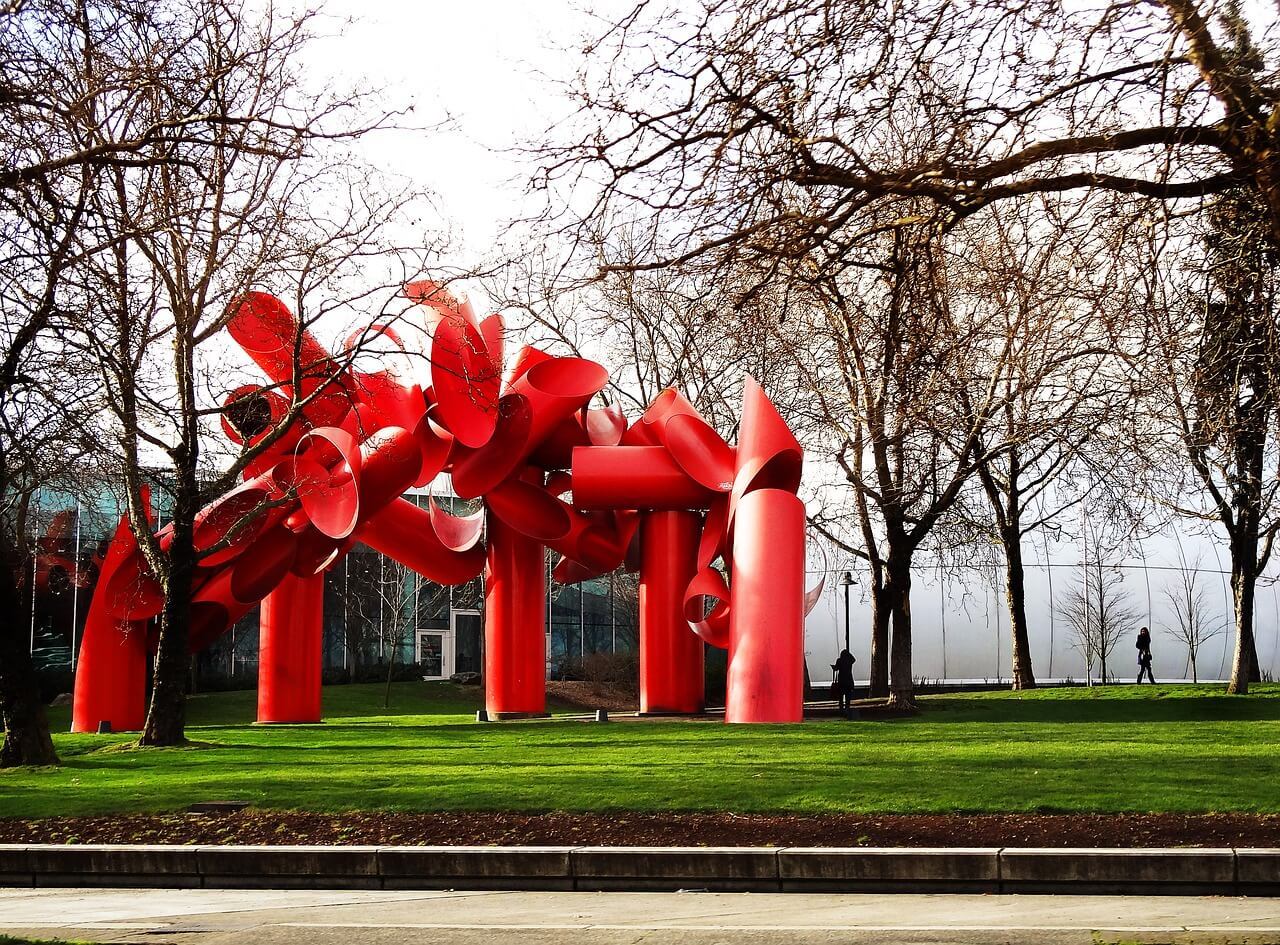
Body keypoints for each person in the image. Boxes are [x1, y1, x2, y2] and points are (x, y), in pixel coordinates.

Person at [834, 648, 856, 712]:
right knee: (848, 695)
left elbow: (836, 668)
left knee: (841, 695)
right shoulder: (849, 661)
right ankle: (847, 707)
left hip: (841, 680)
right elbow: (854, 659)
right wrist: (849, 654)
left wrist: (833, 667)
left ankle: (841, 708)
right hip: (848, 679)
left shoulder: (839, 660)